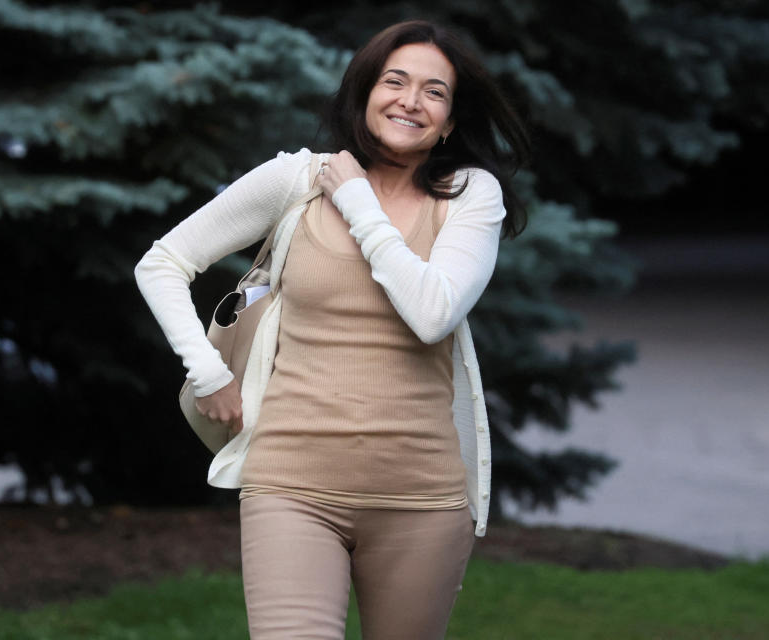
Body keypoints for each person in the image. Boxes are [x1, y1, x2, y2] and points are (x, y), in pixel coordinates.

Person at [135, 19, 529, 640]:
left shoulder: (470, 195)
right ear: (365, 92)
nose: (409, 100)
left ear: (450, 121)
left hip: (420, 497)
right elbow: (162, 263)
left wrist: (359, 203)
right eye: (394, 81)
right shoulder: (297, 181)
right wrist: (206, 371)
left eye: (434, 91)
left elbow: (433, 314)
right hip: (290, 484)